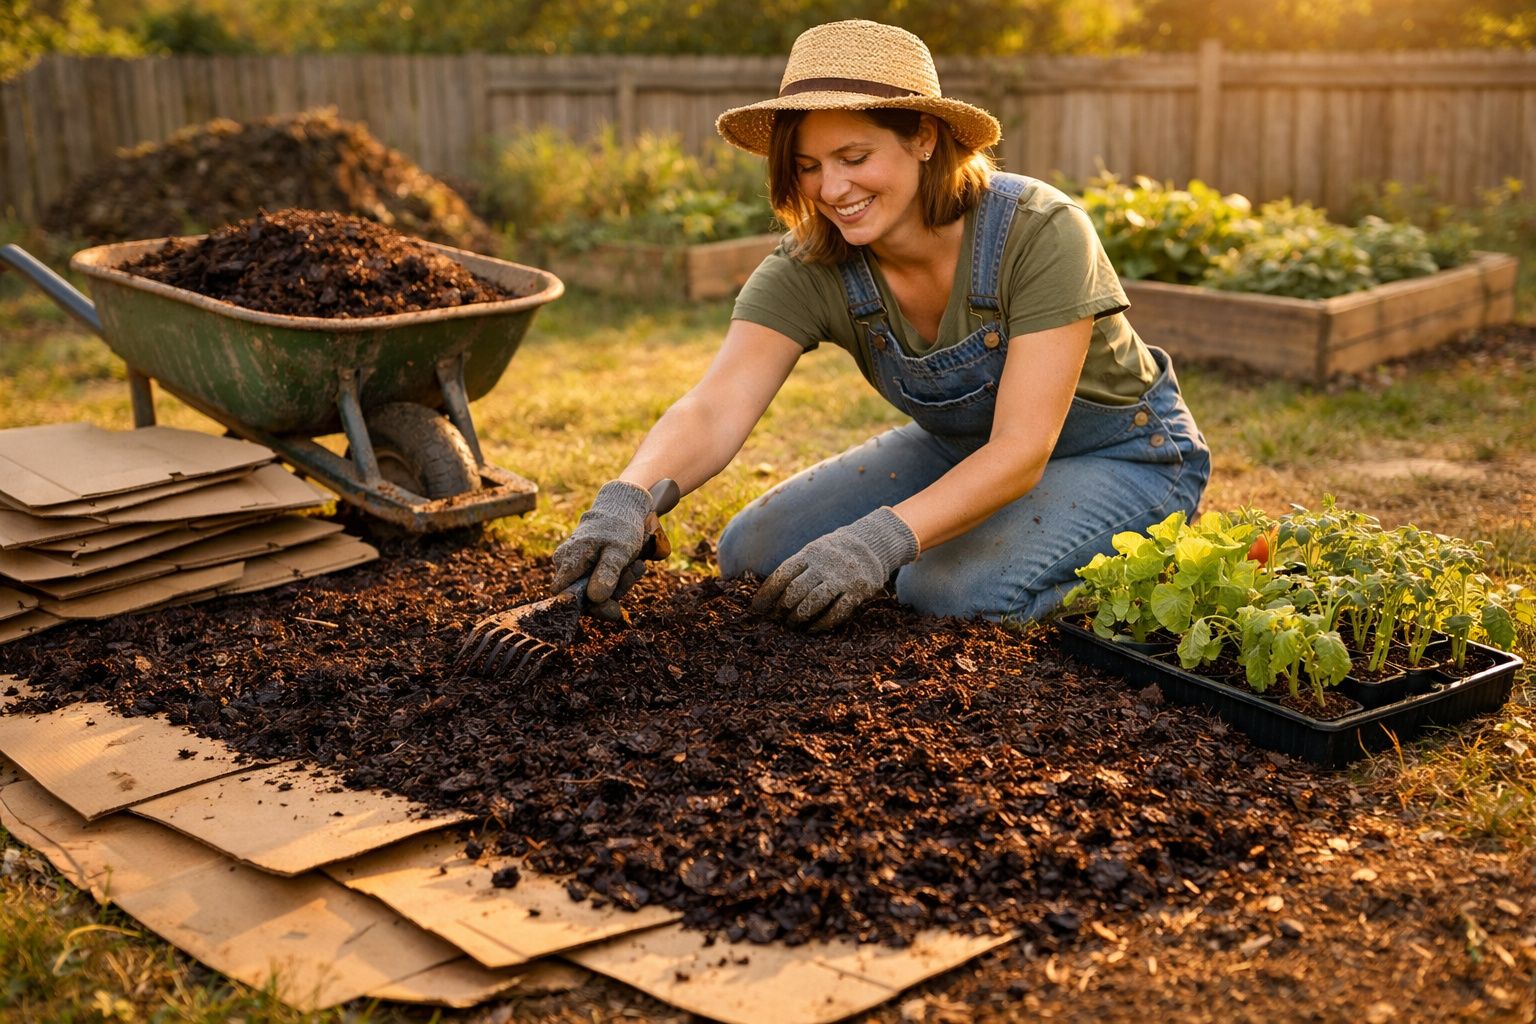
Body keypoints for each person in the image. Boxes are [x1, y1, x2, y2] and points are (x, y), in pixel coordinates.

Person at [550, 19, 1210, 630]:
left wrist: (879, 540)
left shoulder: (1038, 231)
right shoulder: (813, 261)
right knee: (749, 552)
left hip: (1122, 456)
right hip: (960, 453)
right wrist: (629, 496)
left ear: (923, 137)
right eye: (807, 166)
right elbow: (715, 406)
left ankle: (1146, 564)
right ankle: (965, 537)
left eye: (853, 156)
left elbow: (1020, 449)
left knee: (949, 592)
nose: (830, 189)